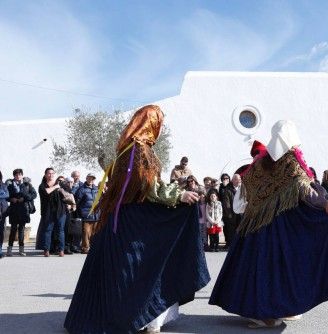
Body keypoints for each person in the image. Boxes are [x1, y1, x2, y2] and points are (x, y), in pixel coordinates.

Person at [64, 105, 209, 334]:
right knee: (139, 266)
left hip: (118, 217)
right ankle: (137, 317)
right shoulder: (139, 150)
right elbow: (147, 185)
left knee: (123, 268)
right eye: (158, 121)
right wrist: (178, 195)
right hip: (132, 219)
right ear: (151, 123)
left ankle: (122, 316)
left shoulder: (126, 150)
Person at [209, 120, 328, 328]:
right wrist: (324, 202)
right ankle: (273, 313)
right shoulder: (290, 160)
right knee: (282, 267)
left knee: (263, 267)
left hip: (256, 225)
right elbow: (304, 190)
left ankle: (272, 311)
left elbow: (245, 193)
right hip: (282, 226)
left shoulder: (259, 163)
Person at [36, 168, 67, 257]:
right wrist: (56, 187)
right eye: (49, 173)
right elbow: (47, 191)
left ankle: (61, 250)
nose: (51, 175)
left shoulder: (60, 184)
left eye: (52, 173)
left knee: (60, 231)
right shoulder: (42, 185)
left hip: (60, 211)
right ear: (45, 175)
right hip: (48, 211)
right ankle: (46, 250)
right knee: (47, 230)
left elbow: (68, 193)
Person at [6, 168, 37, 257]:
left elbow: (34, 195)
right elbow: (6, 195)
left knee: (21, 230)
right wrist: (11, 199)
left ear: (22, 175)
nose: (18, 176)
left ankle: (21, 250)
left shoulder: (27, 184)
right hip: (14, 209)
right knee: (13, 229)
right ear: (14, 176)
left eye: (20, 174)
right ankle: (9, 250)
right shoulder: (9, 184)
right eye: (16, 175)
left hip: (24, 209)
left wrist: (24, 198)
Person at [75, 173, 99, 254]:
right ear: (86, 178)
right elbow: (77, 202)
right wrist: (79, 213)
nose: (91, 180)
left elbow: (100, 200)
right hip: (86, 214)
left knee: (94, 232)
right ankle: (85, 248)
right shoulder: (81, 189)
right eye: (90, 178)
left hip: (96, 215)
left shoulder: (96, 189)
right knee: (86, 232)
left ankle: (93, 248)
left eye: (93, 178)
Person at [0, 171, 10, 258]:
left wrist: (2, 194)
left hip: (2, 212)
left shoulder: (4, 186)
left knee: (1, 231)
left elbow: (7, 194)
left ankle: (0, 250)